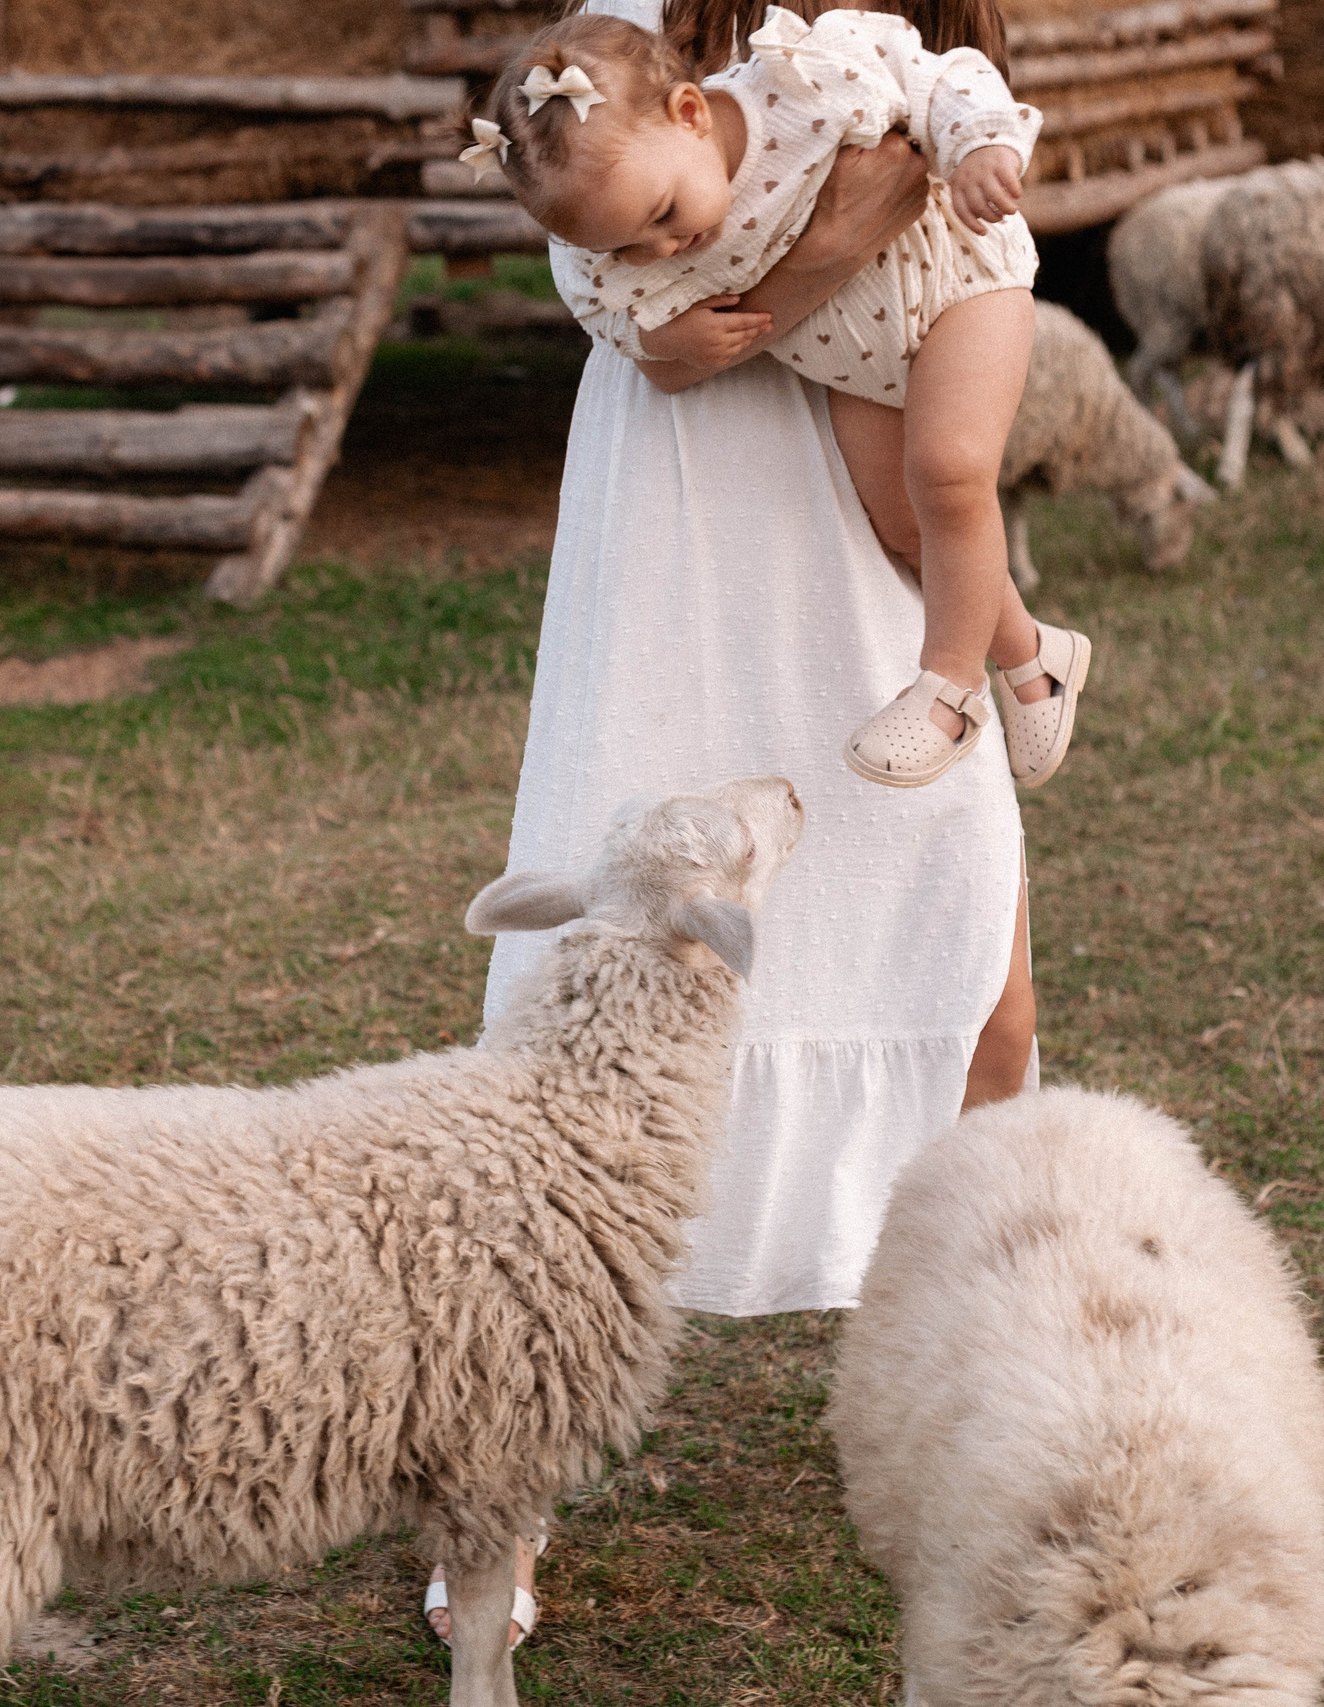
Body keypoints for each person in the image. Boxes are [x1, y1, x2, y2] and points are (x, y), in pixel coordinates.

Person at [428, 0, 1049, 1656]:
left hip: (858, 447)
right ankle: (500, 1495)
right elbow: (587, 242)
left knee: (970, 959)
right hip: (692, 484)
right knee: (590, 980)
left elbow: (896, 191)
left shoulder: (875, 25)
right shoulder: (635, 32)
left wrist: (744, 287)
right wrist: (655, 317)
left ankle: (1020, 1401)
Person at [466, 6, 1092, 790]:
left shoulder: (801, 82)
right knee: (902, 524)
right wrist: (662, 341)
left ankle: (949, 690)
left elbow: (935, 73)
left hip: (958, 283)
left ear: (691, 113)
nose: (661, 249)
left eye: (660, 218)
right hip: (858, 358)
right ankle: (1036, 658)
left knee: (948, 471)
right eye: (630, 244)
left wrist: (978, 145)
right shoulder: (634, 211)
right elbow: (599, 297)